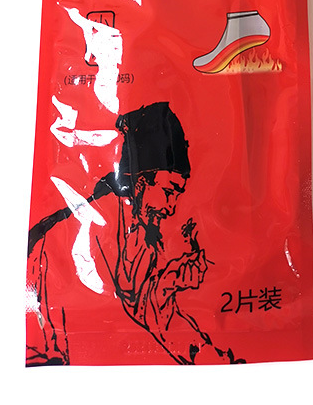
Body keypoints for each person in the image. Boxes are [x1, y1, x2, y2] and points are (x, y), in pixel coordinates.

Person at [26, 102, 241, 365]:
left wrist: (204, 350)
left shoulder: (141, 230)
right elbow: (115, 318)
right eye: (169, 192)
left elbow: (151, 312)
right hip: (52, 356)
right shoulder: (92, 226)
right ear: (140, 181)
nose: (171, 207)